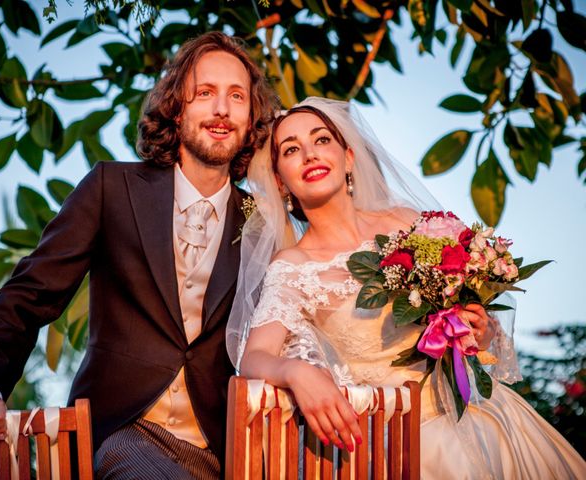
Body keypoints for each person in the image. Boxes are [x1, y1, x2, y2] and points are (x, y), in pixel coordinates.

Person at [0, 31, 277, 479]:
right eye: (205, 93)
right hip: (120, 432)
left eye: (237, 96)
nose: (221, 109)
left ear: (251, 118)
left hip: (225, 448)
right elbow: (30, 294)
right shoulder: (112, 188)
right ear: (177, 107)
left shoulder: (261, 221)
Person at [227, 97, 586, 478]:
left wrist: (478, 329)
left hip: (481, 419)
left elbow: (473, 329)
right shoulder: (292, 267)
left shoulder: (407, 223)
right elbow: (254, 357)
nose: (310, 155)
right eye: (292, 149)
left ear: (349, 157)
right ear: (281, 181)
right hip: (397, 445)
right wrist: (296, 372)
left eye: (321, 140)